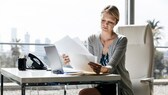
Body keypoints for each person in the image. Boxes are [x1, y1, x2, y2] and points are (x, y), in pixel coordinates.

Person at [63, 5, 134, 95]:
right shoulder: (92, 39)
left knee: (84, 93)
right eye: (103, 20)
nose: (105, 24)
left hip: (118, 86)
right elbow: (88, 65)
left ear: (116, 22)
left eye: (110, 22)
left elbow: (111, 67)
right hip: (100, 85)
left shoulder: (121, 40)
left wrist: (101, 68)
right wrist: (72, 60)